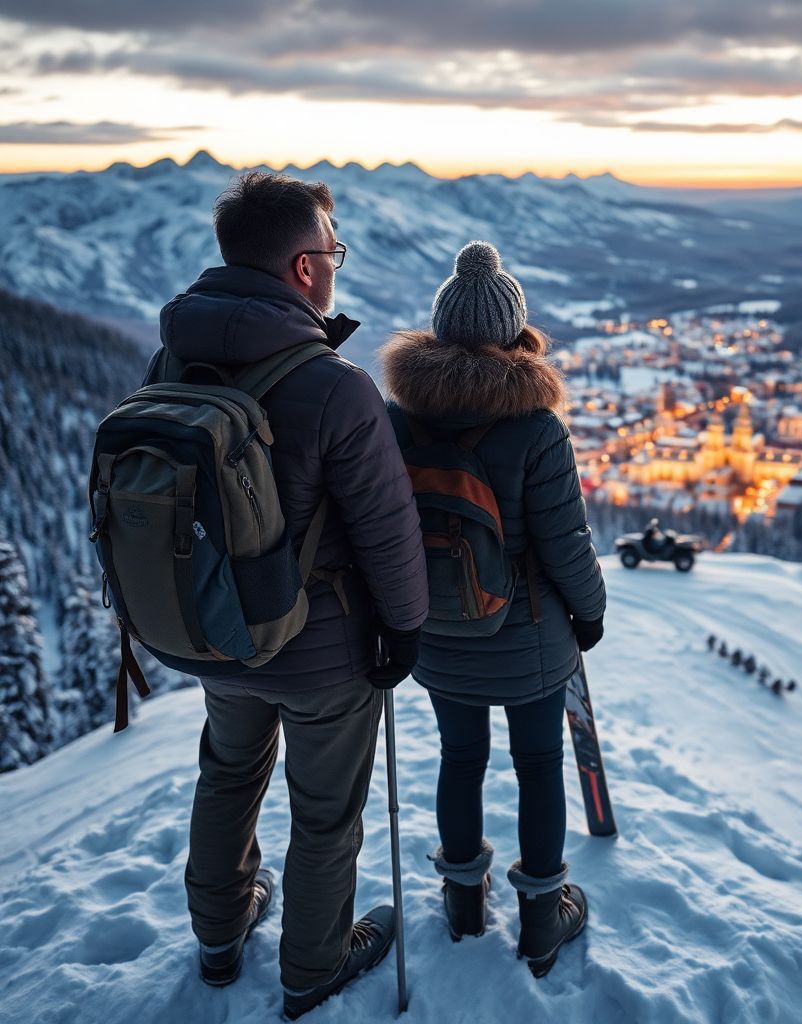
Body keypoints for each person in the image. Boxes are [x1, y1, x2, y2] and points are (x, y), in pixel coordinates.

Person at [149, 171, 429, 1020]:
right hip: (321, 651)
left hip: (219, 633)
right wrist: (406, 629)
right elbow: (385, 524)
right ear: (306, 268)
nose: (336, 268)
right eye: (332, 253)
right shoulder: (334, 383)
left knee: (228, 775)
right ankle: (313, 969)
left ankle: (220, 936)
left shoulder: (173, 355)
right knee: (325, 813)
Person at [379, 240, 606, 978]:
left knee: (460, 758)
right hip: (529, 634)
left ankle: (463, 904)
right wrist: (591, 614)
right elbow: (565, 543)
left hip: (436, 632)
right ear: (514, 333)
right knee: (538, 764)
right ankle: (542, 921)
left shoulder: (396, 418)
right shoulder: (537, 430)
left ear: (440, 332)